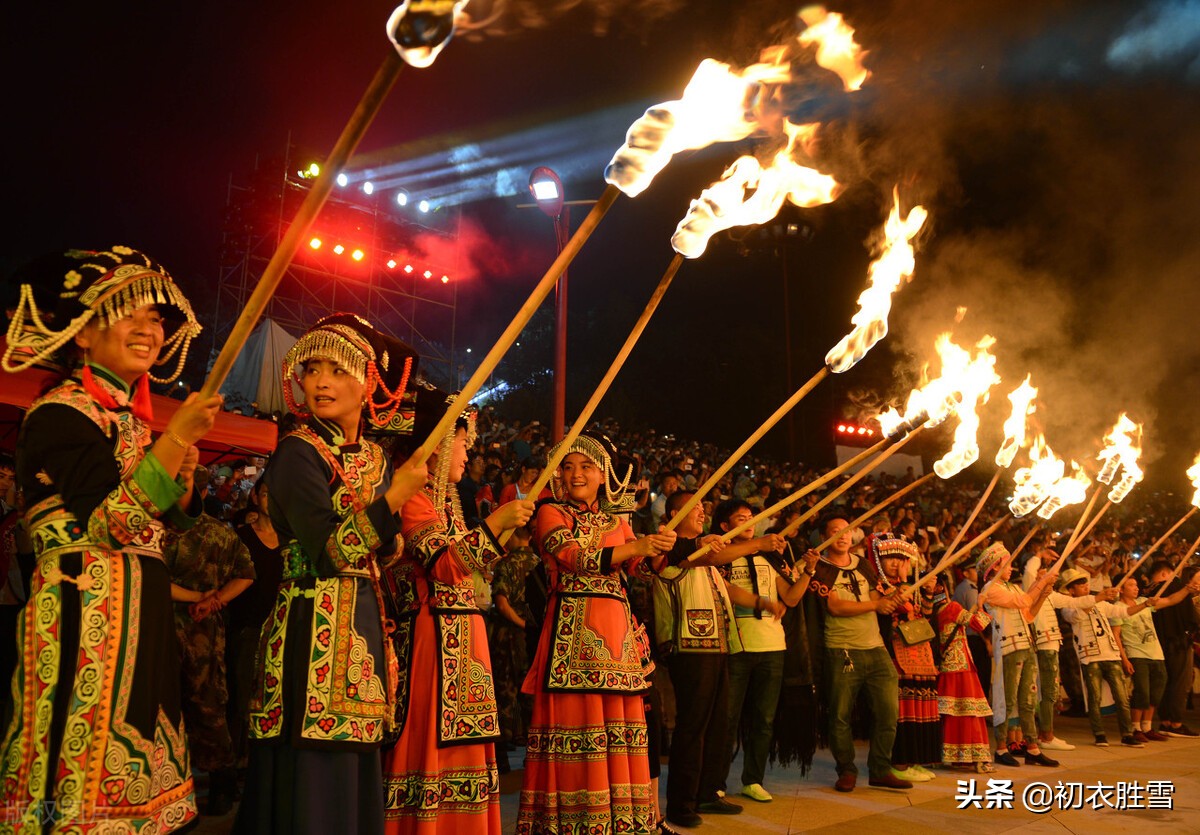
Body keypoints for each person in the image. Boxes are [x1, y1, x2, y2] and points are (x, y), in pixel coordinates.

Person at [0, 246, 219, 830]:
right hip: (83, 617)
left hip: (137, 612)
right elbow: (109, 522)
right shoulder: (58, 413)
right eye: (127, 313)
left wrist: (183, 471)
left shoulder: (127, 420)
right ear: (82, 336)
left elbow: (173, 521)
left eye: (155, 319)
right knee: (79, 762)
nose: (148, 329)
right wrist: (170, 444)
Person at [234, 313, 427, 835]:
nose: (320, 382)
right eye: (312, 369)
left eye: (337, 371)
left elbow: (387, 551)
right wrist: (393, 503)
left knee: (355, 750)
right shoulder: (297, 451)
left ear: (368, 382)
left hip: (362, 620)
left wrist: (388, 516)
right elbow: (329, 551)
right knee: (314, 759)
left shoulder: (375, 459)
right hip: (309, 619)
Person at [382, 384, 534, 834]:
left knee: (467, 748)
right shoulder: (411, 497)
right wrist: (498, 522)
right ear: (439, 444)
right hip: (432, 638)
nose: (468, 453)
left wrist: (498, 531)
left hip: (464, 639)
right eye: (463, 442)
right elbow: (444, 566)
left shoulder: (447, 505)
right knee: (433, 745)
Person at [516, 431, 675, 835]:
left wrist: (669, 548)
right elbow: (575, 557)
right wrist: (637, 549)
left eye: (586, 466)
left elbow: (640, 570)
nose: (575, 474)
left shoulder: (616, 521)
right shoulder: (551, 513)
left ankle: (621, 822)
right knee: (578, 724)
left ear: (604, 475)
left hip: (617, 638)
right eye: (567, 467)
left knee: (617, 728)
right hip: (573, 635)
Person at [653, 491, 791, 828]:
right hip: (689, 647)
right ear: (675, 512)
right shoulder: (666, 546)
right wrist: (758, 544)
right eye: (695, 507)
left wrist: (762, 603)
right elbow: (704, 559)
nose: (702, 512)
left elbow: (726, 587)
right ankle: (680, 804)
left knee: (717, 725)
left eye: (703, 507)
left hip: (716, 646)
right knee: (692, 726)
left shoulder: (707, 550)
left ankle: (706, 792)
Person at [709, 499, 812, 804]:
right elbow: (724, 586)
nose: (749, 522)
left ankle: (752, 780)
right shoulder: (720, 554)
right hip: (736, 646)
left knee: (764, 719)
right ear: (725, 526)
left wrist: (808, 572)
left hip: (773, 646)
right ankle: (715, 781)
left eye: (751, 517)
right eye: (740, 519)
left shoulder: (769, 558)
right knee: (728, 718)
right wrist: (756, 544)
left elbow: (790, 599)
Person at [808, 515, 910, 792]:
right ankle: (847, 769)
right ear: (823, 536)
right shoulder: (819, 569)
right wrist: (874, 607)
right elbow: (835, 607)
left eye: (846, 531)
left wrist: (888, 601)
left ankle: (879, 768)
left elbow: (876, 596)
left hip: (875, 647)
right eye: (835, 531)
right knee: (840, 714)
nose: (842, 536)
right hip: (842, 650)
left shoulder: (864, 564)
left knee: (888, 712)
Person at [164, 508, 256, 816]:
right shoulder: (221, 532)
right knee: (208, 707)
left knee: (170, 708)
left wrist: (203, 598)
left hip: (163, 626)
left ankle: (176, 786)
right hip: (203, 630)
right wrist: (214, 599)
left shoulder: (153, 527)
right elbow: (246, 573)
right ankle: (221, 785)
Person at [1055, 567, 1179, 747]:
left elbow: (1123, 613)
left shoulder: (1101, 603)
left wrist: (1144, 604)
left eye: (1085, 583)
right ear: (1071, 590)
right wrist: (1098, 597)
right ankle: (1099, 734)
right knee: (1094, 698)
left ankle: (1127, 733)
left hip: (1111, 653)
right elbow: (1078, 616)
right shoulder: (1068, 607)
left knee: (1122, 697)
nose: (1084, 586)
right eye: (1079, 585)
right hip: (1090, 656)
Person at [1021, 549, 1118, 751]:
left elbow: (1074, 601)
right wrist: (1037, 555)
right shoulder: (1031, 589)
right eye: (1044, 572)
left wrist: (1098, 597)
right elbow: (1030, 571)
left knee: (1051, 692)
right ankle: (1045, 736)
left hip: (1052, 645)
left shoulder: (1051, 595)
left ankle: (1047, 734)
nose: (1050, 575)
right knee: (1046, 692)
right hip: (1043, 645)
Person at [976, 543, 1060, 767]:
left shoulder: (1011, 588)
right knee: (1007, 698)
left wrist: (1043, 592)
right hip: (1009, 649)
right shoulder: (990, 589)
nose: (1011, 569)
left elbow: (1029, 613)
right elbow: (1023, 601)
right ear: (994, 567)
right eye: (1007, 564)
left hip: (1026, 645)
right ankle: (1001, 747)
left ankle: (1032, 747)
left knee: (1028, 699)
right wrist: (1041, 582)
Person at [868, 533, 941, 783]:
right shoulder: (877, 586)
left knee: (922, 708)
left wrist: (928, 592)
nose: (896, 564)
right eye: (890, 559)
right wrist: (900, 593)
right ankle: (898, 761)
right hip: (896, 652)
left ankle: (915, 759)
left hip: (920, 653)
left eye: (901, 558)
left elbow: (926, 616)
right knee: (903, 710)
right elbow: (886, 611)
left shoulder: (909, 587)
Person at [227, 480, 283, 777]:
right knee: (238, 700)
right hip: (246, 627)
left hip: (279, 631)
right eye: (265, 493)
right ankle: (230, 769)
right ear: (255, 497)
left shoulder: (291, 539)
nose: (271, 499)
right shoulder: (241, 537)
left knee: (271, 700)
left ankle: (257, 768)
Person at [928, 571, 994, 772]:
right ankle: (975, 758)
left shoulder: (932, 612)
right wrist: (982, 605)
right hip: (962, 667)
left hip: (944, 667)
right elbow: (978, 623)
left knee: (947, 713)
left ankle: (942, 755)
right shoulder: (952, 608)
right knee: (969, 712)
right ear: (942, 588)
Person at [490, 524, 540, 769]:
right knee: (532, 695)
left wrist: (519, 623)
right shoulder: (541, 565)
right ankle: (535, 758)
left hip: (507, 636)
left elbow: (500, 603)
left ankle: (501, 761)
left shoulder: (505, 564)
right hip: (534, 637)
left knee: (504, 694)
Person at [1147, 560, 1200, 737]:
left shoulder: (1148, 591)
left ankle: (1166, 721)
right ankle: (1175, 723)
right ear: (1165, 573)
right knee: (1180, 684)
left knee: (1167, 683)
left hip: (1159, 644)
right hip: (1178, 642)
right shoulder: (1176, 587)